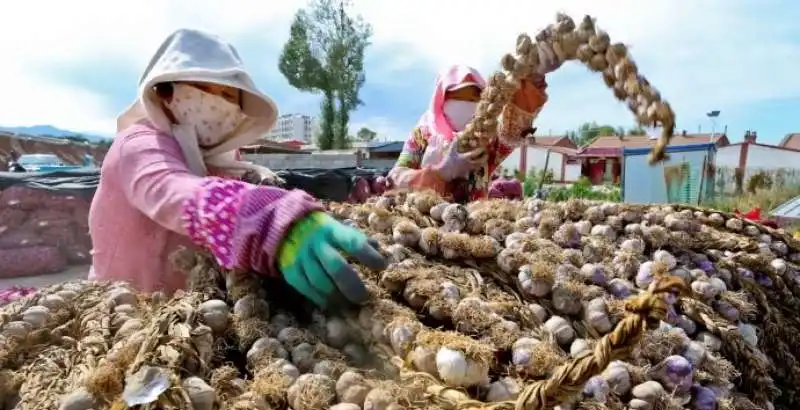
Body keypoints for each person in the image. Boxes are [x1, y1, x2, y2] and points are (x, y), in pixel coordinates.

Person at [88, 29, 385, 308]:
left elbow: (246, 192)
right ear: (166, 91)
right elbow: (171, 189)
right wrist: (271, 220)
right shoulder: (138, 145)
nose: (221, 104)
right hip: (123, 318)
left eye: (230, 97)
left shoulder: (217, 162)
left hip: (193, 320)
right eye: (208, 90)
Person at [388, 57, 559, 202]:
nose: (466, 104)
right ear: (441, 98)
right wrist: (442, 171)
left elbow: (514, 130)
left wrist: (533, 80)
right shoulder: (421, 135)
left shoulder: (486, 139)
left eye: (474, 98)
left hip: (476, 228)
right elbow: (395, 178)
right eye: (457, 97)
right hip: (423, 228)